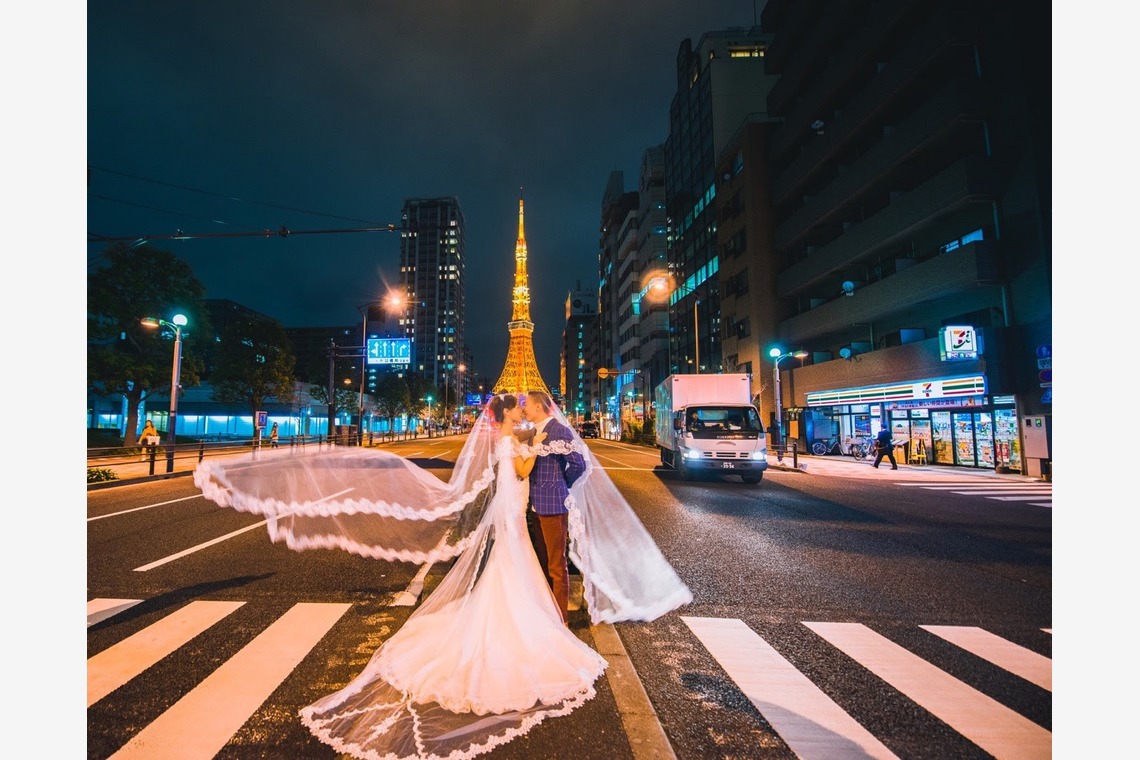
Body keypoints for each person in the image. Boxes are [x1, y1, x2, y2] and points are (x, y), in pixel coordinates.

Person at [193, 392, 691, 760]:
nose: (522, 414)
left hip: (514, 511)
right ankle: (533, 622)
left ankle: (529, 616)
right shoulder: (511, 439)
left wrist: (537, 445)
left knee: (513, 565)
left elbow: (527, 468)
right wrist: (533, 447)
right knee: (516, 564)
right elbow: (517, 472)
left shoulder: (512, 434)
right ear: (506, 416)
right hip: (514, 508)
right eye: (516, 411)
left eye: (526, 410)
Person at [523, 390, 586, 625]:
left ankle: (561, 619)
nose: (525, 408)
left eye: (527, 404)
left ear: (539, 407)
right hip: (536, 506)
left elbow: (578, 464)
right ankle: (545, 611)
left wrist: (561, 484)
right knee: (542, 561)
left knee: (557, 564)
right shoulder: (533, 432)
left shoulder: (560, 430)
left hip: (553, 505)